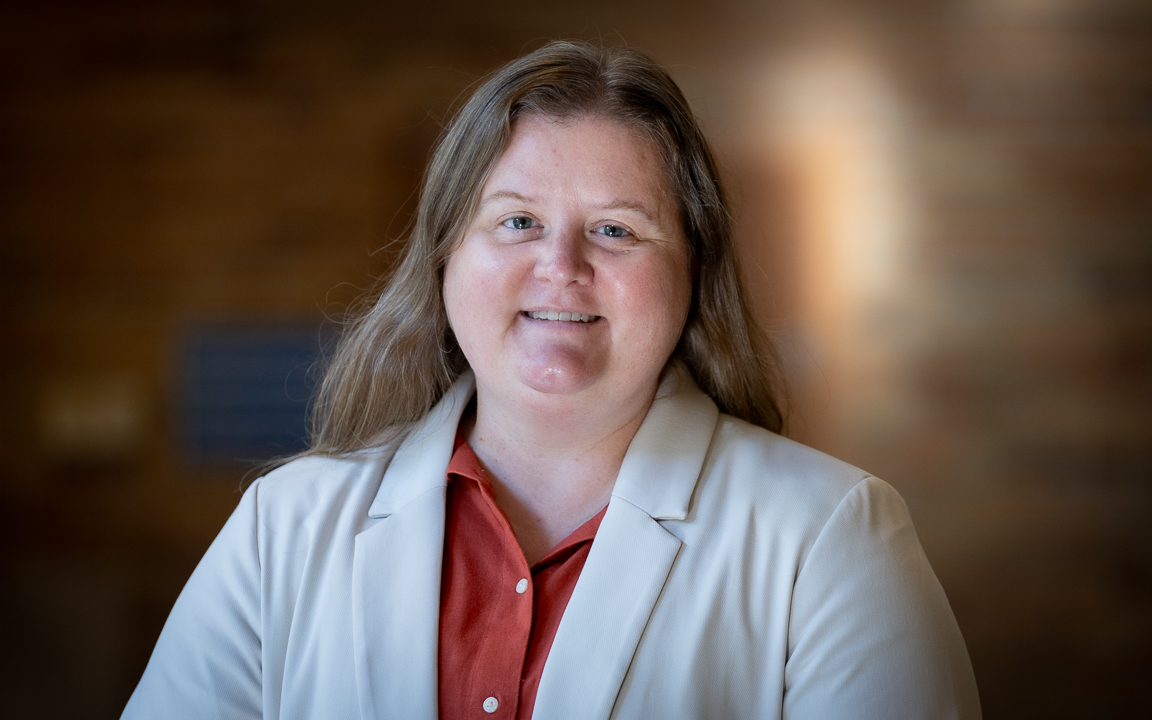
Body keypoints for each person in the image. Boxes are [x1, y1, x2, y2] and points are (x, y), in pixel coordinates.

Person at [123, 41, 980, 720]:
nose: (560, 266)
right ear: (445, 257)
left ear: (693, 273)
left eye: (616, 231)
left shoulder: (829, 541)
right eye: (518, 221)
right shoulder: (282, 528)